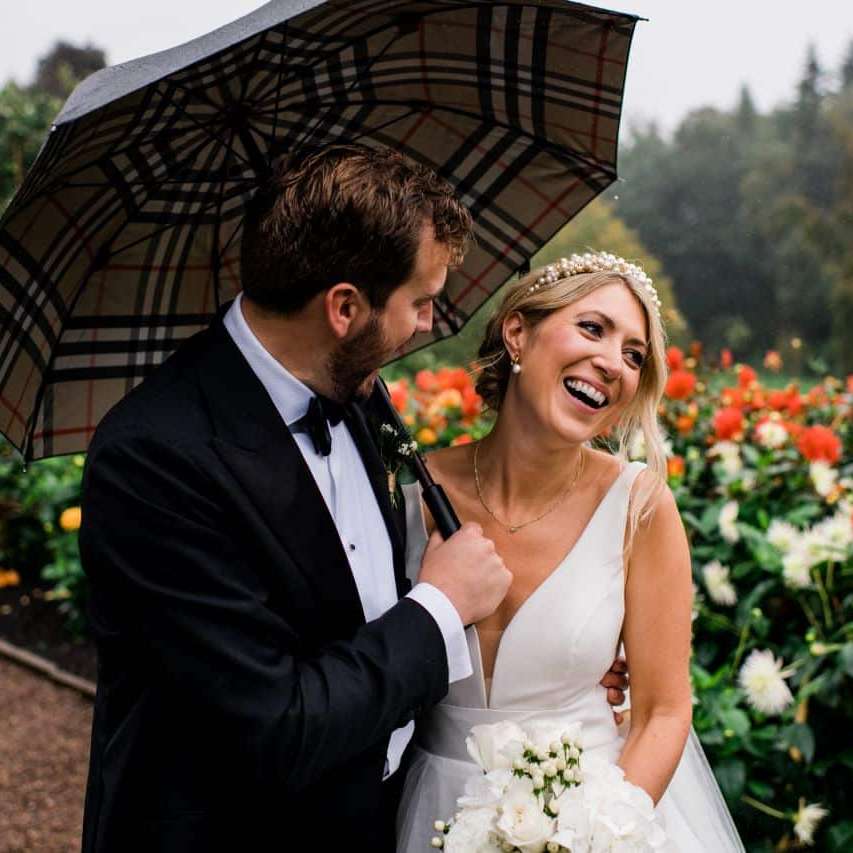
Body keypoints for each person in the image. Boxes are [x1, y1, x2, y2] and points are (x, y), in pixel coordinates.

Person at [78, 145, 627, 853]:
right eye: (418, 302)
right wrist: (439, 607)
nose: (427, 323)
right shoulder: (154, 458)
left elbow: (353, 604)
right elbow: (278, 724)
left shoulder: (355, 392)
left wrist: (559, 650)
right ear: (343, 307)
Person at [396, 254, 745, 851]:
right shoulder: (406, 497)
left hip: (594, 815)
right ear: (518, 334)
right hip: (423, 815)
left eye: (635, 355)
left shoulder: (639, 507)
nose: (613, 363)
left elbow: (663, 711)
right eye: (592, 328)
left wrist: (592, 838)